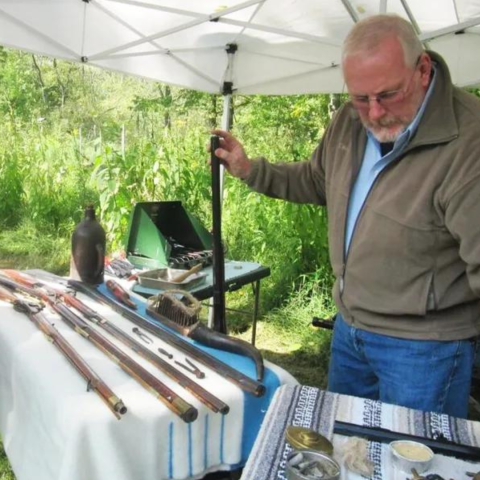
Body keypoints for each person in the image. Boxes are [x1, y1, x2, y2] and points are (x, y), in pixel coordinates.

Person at [212, 14, 480, 418]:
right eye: (360, 98)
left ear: (422, 70)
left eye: (388, 95)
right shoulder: (348, 122)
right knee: (346, 448)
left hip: (425, 348)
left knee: (412, 464)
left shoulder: (469, 142)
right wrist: (252, 170)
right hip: (350, 330)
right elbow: (318, 180)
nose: (374, 114)